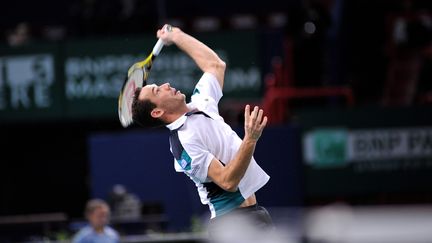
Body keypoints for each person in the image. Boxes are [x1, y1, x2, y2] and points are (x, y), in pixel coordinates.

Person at [131, 24, 273, 235]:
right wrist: (250, 139)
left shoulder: (200, 104)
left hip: (254, 214)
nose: (167, 84)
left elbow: (215, 65)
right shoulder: (184, 142)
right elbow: (227, 180)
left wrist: (177, 36)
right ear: (157, 112)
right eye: (157, 89)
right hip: (233, 225)